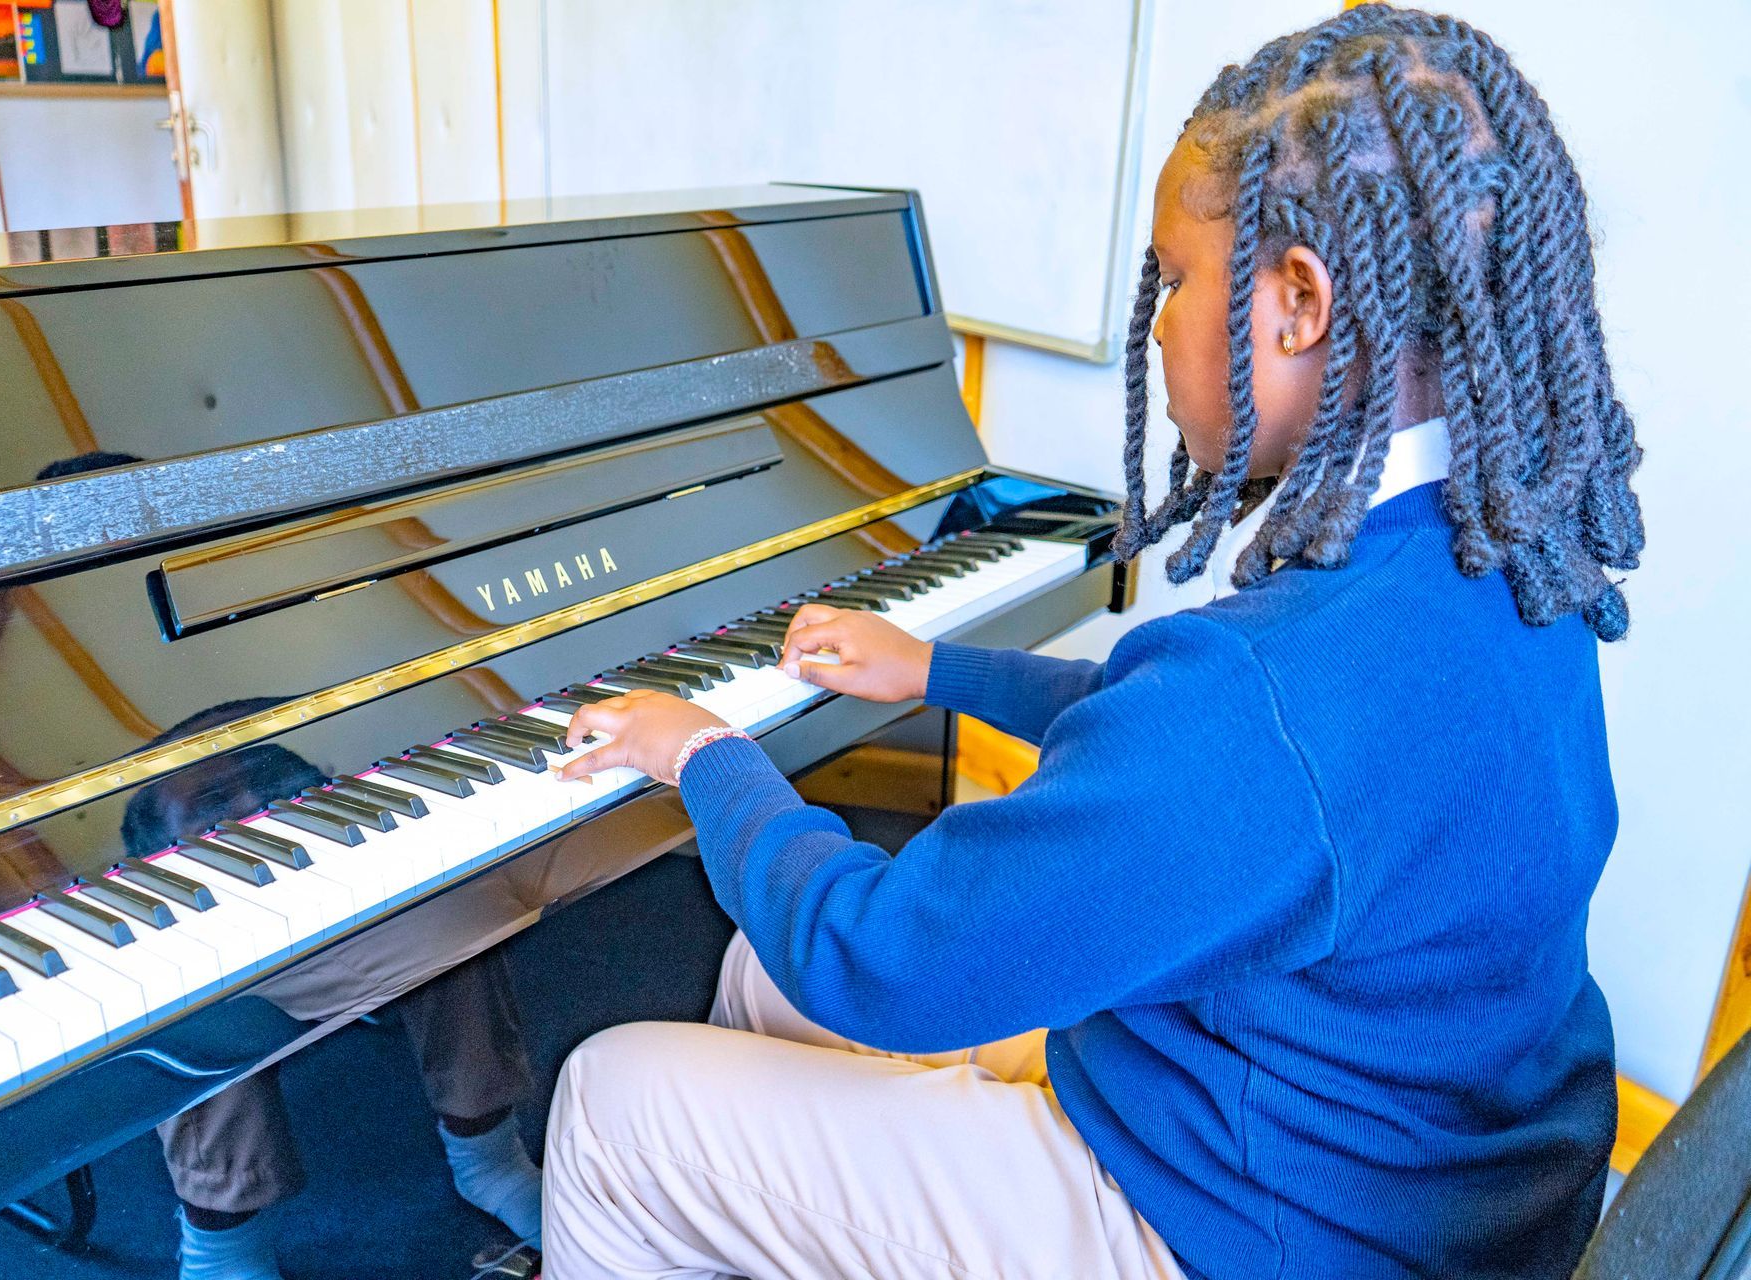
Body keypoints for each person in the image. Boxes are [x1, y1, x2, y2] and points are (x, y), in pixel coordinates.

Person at [537, 8, 1643, 1279]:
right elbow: (1187, 755)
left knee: (611, 1098)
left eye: (1175, 278)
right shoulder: (1513, 556)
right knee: (757, 973)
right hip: (1383, 1162)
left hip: (1244, 1231)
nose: (1159, 324)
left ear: (1298, 304)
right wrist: (940, 669)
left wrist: (705, 753)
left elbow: (883, 957)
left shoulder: (1263, 700)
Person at [120, 701, 544, 1280]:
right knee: (185, 997)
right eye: (213, 803)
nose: (249, 806)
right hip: (207, 934)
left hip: (329, 895)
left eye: (261, 777)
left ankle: (489, 1162)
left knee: (455, 914)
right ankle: (222, 1246)